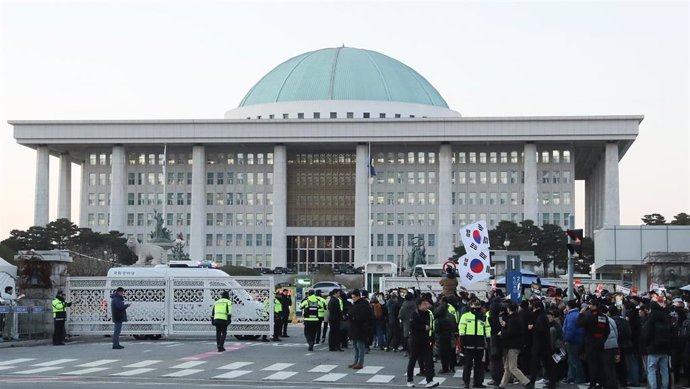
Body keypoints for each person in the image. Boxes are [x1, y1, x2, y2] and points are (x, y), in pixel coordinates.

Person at [406, 298, 440, 388]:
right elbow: (412, 326)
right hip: (415, 340)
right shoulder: (414, 314)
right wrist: (423, 327)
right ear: (419, 305)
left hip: (426, 340)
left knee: (429, 360)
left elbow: (431, 324)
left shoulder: (429, 313)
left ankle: (429, 380)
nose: (426, 305)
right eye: (424, 304)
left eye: (427, 304)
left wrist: (431, 336)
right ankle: (410, 379)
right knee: (413, 360)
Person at [498, 300, 531, 389]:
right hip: (514, 345)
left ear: (508, 309)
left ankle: (526, 382)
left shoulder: (512, 320)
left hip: (512, 345)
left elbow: (511, 333)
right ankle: (502, 385)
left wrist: (502, 331)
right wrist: (505, 326)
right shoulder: (516, 318)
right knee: (507, 368)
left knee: (512, 367)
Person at [578, 300, 610, 389]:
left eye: (590, 304)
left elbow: (579, 324)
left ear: (593, 305)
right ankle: (602, 383)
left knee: (592, 364)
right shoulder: (603, 317)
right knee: (601, 363)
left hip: (591, 341)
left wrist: (581, 314)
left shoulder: (588, 315)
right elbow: (607, 331)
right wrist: (603, 339)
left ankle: (593, 384)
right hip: (600, 341)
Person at [459, 299, 490, 389]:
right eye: (474, 305)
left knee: (479, 365)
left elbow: (487, 328)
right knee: (468, 365)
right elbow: (461, 328)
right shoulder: (465, 316)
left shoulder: (483, 317)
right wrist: (462, 341)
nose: (476, 307)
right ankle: (466, 382)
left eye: (477, 306)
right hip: (468, 343)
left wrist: (488, 340)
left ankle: (478, 382)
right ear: (470, 306)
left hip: (480, 344)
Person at [641, 301, 671, 389]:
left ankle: (653, 386)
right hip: (665, 347)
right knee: (664, 369)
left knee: (651, 369)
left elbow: (646, 333)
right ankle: (664, 386)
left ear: (651, 309)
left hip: (653, 347)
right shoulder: (665, 317)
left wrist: (645, 344)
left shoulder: (651, 319)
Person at [528, 299, 556, 389]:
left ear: (538, 308)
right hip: (544, 345)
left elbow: (541, 329)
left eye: (534, 308)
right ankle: (552, 383)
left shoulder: (541, 317)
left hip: (540, 345)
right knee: (547, 365)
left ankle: (532, 383)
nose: (533, 309)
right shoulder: (542, 316)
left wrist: (533, 327)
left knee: (536, 365)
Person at [348, 289, 373, 370]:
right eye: (352, 297)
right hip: (355, 327)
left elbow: (364, 316)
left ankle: (360, 362)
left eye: (354, 297)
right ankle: (356, 361)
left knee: (360, 346)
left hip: (361, 327)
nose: (353, 299)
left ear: (358, 296)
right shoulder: (356, 303)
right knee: (355, 346)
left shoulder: (363, 304)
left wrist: (354, 316)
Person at [562, 299, 585, 384]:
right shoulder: (577, 314)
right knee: (572, 360)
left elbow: (570, 329)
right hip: (578, 339)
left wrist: (566, 339)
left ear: (568, 306)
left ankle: (579, 377)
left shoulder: (571, 316)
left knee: (574, 360)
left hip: (572, 341)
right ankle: (571, 377)